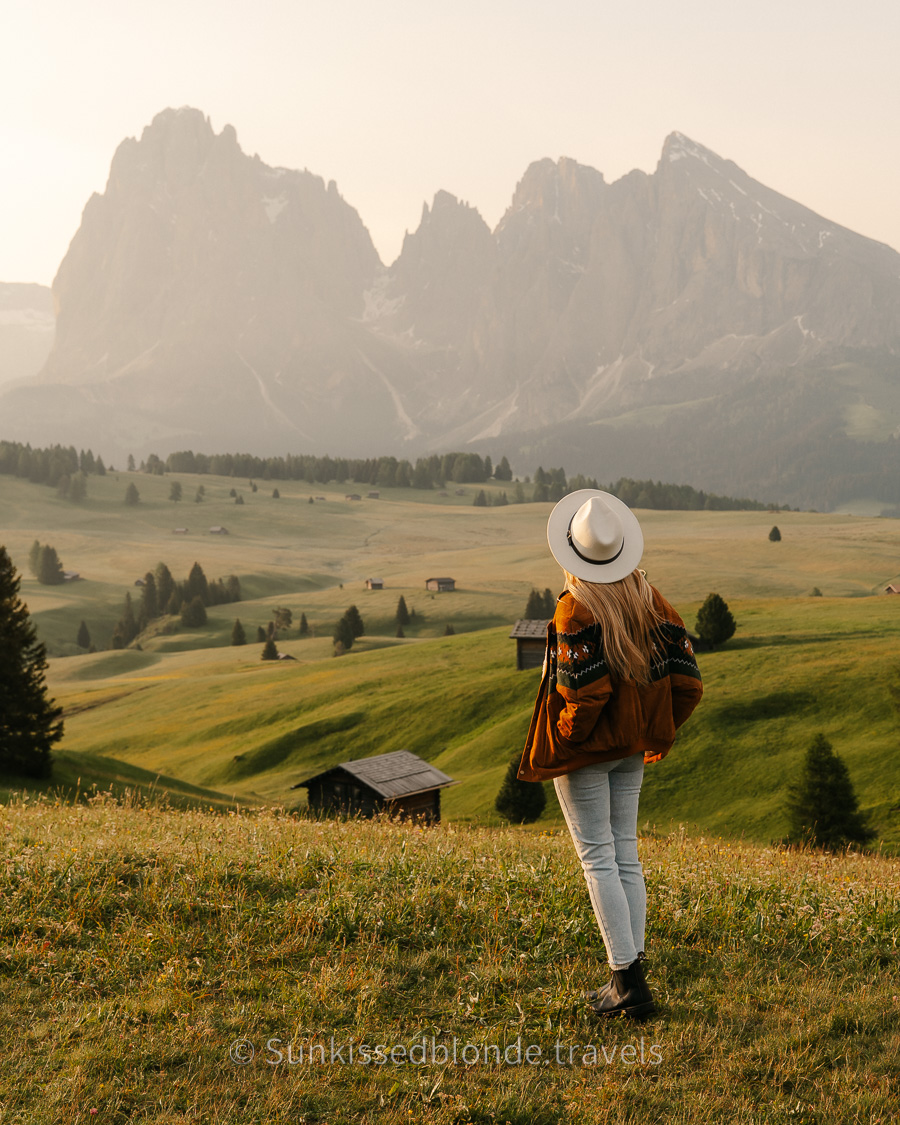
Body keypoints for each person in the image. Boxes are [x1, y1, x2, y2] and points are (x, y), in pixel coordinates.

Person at [517, 490, 703, 1019]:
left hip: (587, 752)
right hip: (630, 751)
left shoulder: (576, 608)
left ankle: (627, 983)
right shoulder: (654, 602)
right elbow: (689, 686)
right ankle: (631, 973)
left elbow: (588, 692)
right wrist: (652, 729)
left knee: (598, 857)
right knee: (626, 855)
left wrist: (568, 735)